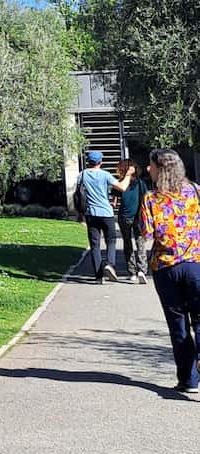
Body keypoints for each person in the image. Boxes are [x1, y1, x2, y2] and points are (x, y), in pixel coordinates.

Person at [140, 149, 200, 398]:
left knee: (178, 323)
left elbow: (147, 234)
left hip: (166, 267)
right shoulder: (196, 191)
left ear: (160, 168)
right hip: (196, 263)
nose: (147, 169)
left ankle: (188, 378)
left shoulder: (151, 198)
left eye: (151, 165)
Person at [75, 150, 132, 282]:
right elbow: (122, 187)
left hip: (90, 213)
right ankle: (110, 265)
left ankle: (99, 277)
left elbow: (78, 195)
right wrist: (128, 175)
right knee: (111, 241)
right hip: (106, 213)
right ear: (100, 162)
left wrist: (80, 214)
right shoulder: (105, 175)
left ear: (88, 162)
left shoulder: (82, 175)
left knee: (95, 245)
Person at [111, 158, 149, 284]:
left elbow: (114, 202)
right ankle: (142, 270)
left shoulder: (119, 183)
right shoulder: (140, 183)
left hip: (124, 216)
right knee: (140, 243)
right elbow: (145, 199)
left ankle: (131, 271)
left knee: (127, 244)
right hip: (138, 217)